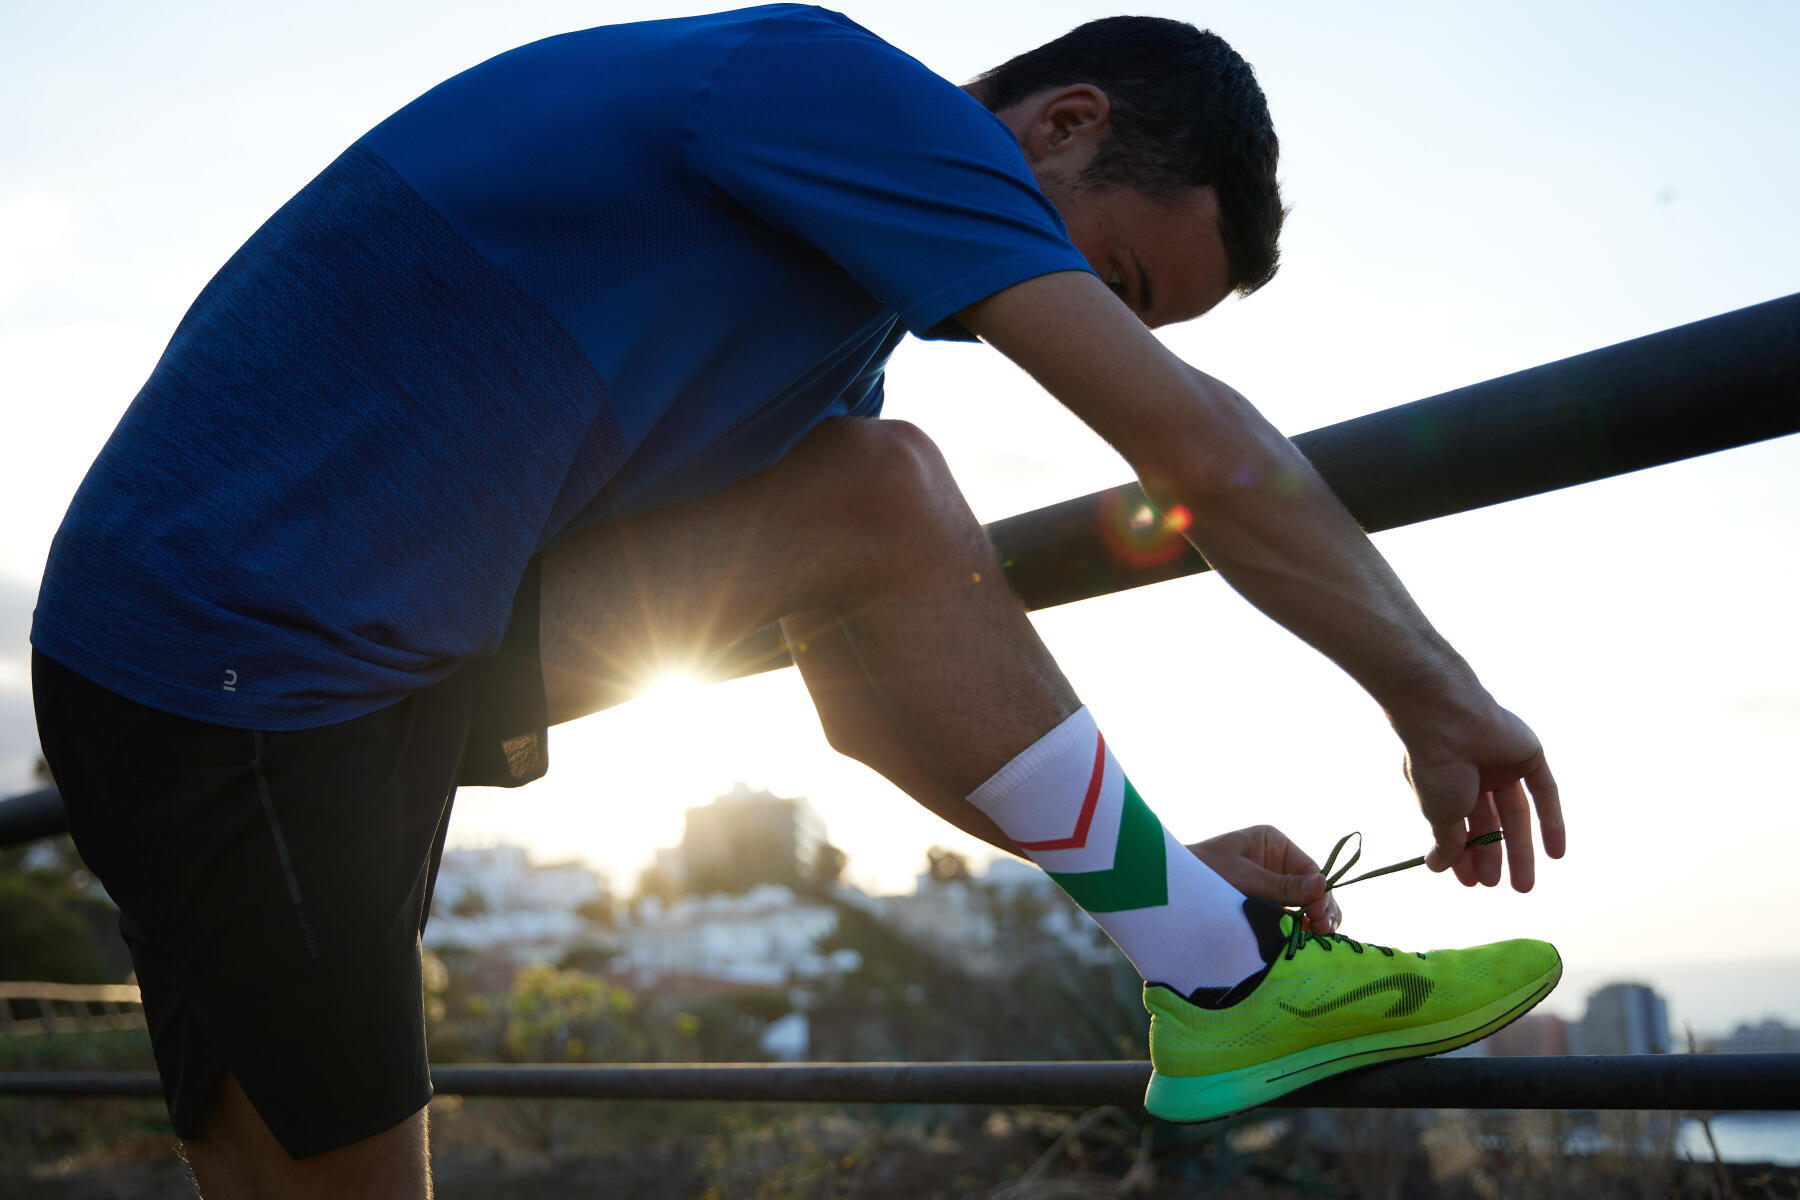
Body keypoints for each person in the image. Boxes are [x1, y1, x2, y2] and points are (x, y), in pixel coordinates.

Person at [30, 5, 1565, 1194]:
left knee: (871, 494)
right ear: (1066, 123)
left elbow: (864, 695)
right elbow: (1197, 449)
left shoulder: (833, 337)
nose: (1092, 317)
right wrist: (1437, 695)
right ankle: (1223, 981)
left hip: (333, 643)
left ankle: (1203, 958)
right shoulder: (835, 87)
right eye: (1113, 279)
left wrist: (1154, 867)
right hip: (238, 655)